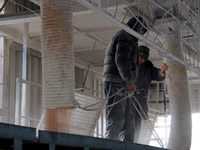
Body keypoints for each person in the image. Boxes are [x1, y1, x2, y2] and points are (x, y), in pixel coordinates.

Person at [103, 16, 147, 142]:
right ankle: (109, 146)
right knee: (117, 119)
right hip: (116, 82)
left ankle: (127, 146)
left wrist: (129, 82)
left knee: (128, 120)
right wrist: (129, 82)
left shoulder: (129, 39)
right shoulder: (125, 36)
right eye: (141, 31)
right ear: (136, 28)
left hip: (121, 82)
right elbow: (121, 60)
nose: (141, 34)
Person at [132, 45, 168, 143]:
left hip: (140, 101)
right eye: (140, 58)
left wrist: (161, 72)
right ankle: (122, 144)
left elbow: (157, 74)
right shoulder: (129, 66)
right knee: (126, 123)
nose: (142, 60)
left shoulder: (148, 69)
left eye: (144, 58)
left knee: (137, 125)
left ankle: (134, 144)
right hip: (128, 100)